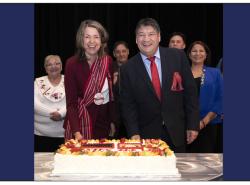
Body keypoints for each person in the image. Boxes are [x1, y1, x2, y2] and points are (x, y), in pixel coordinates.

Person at [120, 18, 200, 152]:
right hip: (145, 136)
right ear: (136, 39)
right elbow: (128, 105)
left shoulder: (177, 56)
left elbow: (190, 93)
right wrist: (134, 133)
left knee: (178, 171)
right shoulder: (127, 68)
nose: (146, 39)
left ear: (159, 37)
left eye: (151, 34)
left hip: (177, 132)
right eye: (141, 35)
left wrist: (193, 124)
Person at [63, 20, 116, 141]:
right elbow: (71, 103)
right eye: (87, 37)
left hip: (103, 124)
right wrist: (76, 131)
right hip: (80, 123)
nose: (92, 41)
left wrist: (112, 121)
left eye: (96, 37)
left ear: (101, 40)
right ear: (81, 40)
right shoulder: (71, 64)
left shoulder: (107, 61)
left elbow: (111, 96)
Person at [187, 41, 223, 153]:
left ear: (206, 54)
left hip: (208, 124)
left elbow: (221, 98)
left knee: (205, 163)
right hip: (185, 127)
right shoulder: (181, 73)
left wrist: (203, 122)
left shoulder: (215, 73)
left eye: (201, 51)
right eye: (194, 51)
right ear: (189, 54)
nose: (198, 53)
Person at [34, 55, 66, 152]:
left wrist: (61, 114)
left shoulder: (69, 79)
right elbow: (34, 102)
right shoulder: (38, 82)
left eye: (57, 63)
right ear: (45, 68)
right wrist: (52, 113)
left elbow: (74, 101)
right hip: (41, 134)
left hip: (65, 134)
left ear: (61, 66)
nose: (54, 66)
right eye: (49, 64)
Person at [112, 41, 130, 138]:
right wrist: (112, 84)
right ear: (114, 54)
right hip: (115, 117)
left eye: (123, 51)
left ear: (128, 52)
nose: (121, 54)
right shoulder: (108, 69)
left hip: (132, 116)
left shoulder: (135, 67)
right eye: (118, 52)